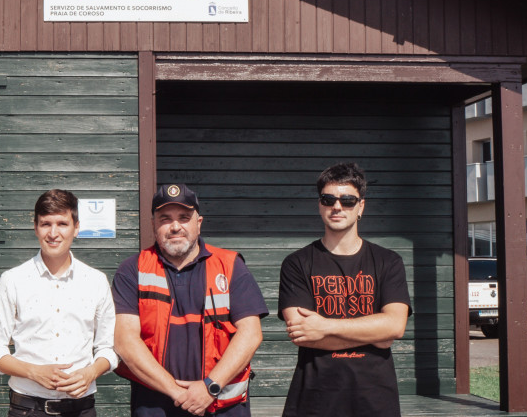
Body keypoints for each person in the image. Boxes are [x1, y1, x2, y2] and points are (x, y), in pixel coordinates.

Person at [113, 183, 268, 417]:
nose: (175, 226)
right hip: (155, 405)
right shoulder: (132, 270)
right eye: (165, 218)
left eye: (184, 217)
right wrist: (178, 393)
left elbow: (251, 334)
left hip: (222, 406)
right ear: (153, 224)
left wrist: (209, 387)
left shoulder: (230, 265)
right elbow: (125, 341)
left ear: (199, 222)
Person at [278, 162, 411, 417]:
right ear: (319, 204)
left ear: (361, 206)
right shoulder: (297, 263)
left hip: (375, 400)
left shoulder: (388, 261)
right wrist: (375, 333)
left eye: (348, 200)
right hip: (314, 400)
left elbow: (395, 327)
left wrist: (326, 326)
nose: (337, 206)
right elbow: (303, 333)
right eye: (328, 199)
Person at [0, 189, 118, 417]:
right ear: (35, 227)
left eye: (62, 224)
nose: (53, 233)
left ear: (76, 227)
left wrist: (91, 372)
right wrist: (33, 372)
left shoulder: (95, 281)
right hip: (27, 409)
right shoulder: (13, 280)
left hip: (81, 408)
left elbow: (109, 348)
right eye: (46, 224)